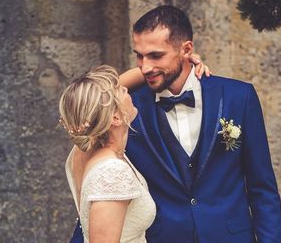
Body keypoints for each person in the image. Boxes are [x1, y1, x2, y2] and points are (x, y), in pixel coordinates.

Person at [70, 5, 281, 242]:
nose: (145, 66)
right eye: (139, 56)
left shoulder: (238, 96)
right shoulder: (125, 110)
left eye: (156, 55)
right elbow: (100, 186)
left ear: (187, 49)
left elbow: (262, 188)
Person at [60, 62, 209, 243]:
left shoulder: (85, 151)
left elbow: (95, 100)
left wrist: (178, 60)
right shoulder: (112, 173)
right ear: (115, 117)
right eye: (121, 91)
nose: (126, 88)